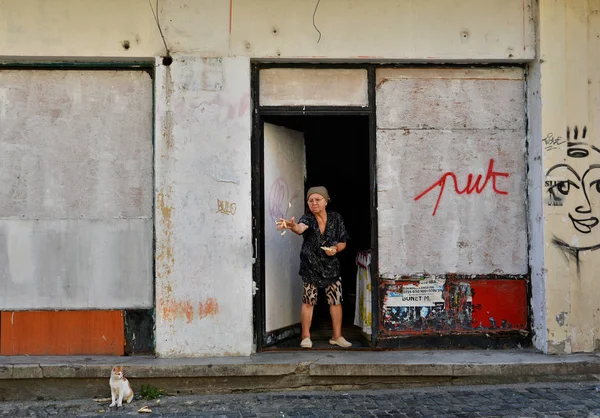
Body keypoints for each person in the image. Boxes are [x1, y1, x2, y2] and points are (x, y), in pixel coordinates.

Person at [276, 186, 352, 349]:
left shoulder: (336, 218)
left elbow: (343, 241)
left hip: (331, 266)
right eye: (311, 200)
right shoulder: (308, 218)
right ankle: (305, 337)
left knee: (336, 301)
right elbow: (300, 228)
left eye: (317, 200)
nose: (314, 203)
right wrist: (291, 226)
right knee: (308, 301)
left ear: (326, 201)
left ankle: (337, 336)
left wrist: (336, 249)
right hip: (311, 265)